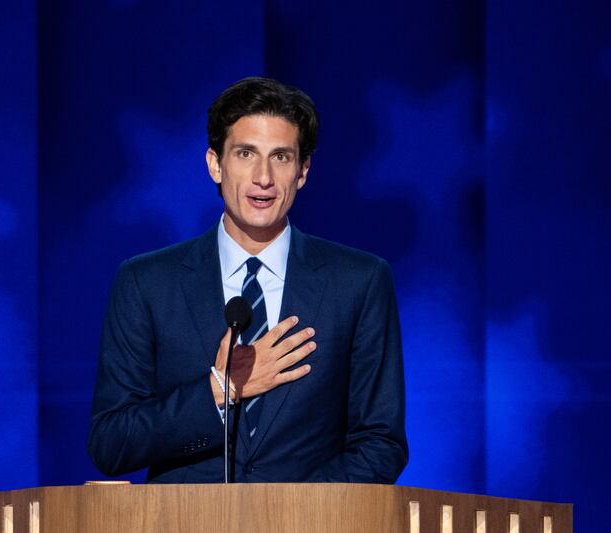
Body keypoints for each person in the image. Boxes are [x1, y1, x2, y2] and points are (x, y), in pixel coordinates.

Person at [88, 77, 408, 483]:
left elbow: (381, 443)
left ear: (303, 170)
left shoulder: (360, 282)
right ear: (215, 164)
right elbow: (110, 443)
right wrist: (220, 390)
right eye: (245, 153)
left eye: (281, 157)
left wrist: (290, 520)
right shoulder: (145, 282)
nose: (263, 177)